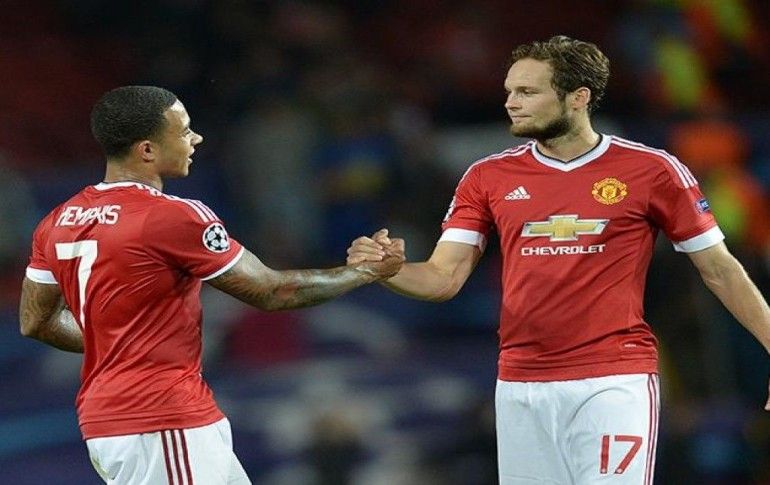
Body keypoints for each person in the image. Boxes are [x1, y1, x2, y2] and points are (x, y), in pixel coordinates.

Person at [347, 36, 770, 484]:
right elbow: (442, 278)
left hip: (613, 381)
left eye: (527, 92)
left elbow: (720, 270)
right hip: (520, 387)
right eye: (510, 91)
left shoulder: (652, 170)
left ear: (577, 97)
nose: (511, 103)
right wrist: (387, 271)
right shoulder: (487, 177)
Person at [19, 85, 404, 485]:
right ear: (147, 150)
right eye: (184, 131)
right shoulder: (172, 216)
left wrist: (114, 341)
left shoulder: (57, 221)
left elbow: (35, 321)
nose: (196, 138)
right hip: (161, 419)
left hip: (117, 420)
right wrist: (365, 272)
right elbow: (273, 292)